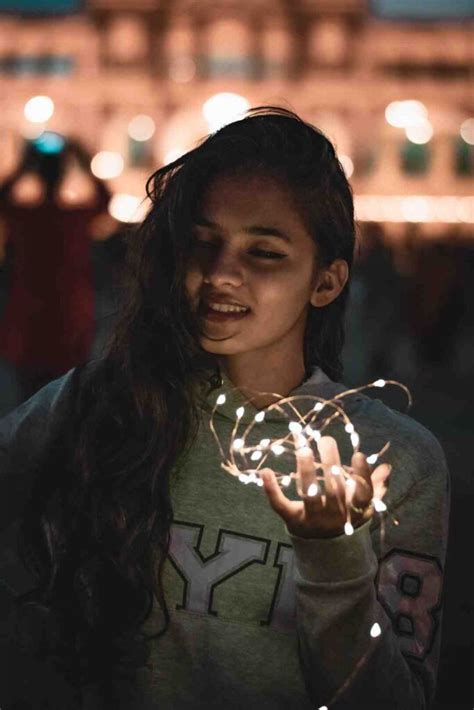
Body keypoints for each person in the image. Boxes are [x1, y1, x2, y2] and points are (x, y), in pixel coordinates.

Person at [0, 107, 449, 709]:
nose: (219, 274)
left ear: (326, 281)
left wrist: (335, 560)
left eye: (264, 253)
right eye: (202, 243)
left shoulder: (396, 461)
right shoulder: (96, 405)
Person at [0, 132, 112, 402]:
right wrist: (83, 161)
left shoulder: (26, 218)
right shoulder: (73, 219)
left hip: (28, 315)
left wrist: (24, 166)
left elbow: (2, 198)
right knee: (64, 397)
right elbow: (105, 199)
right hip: (69, 314)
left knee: (26, 398)